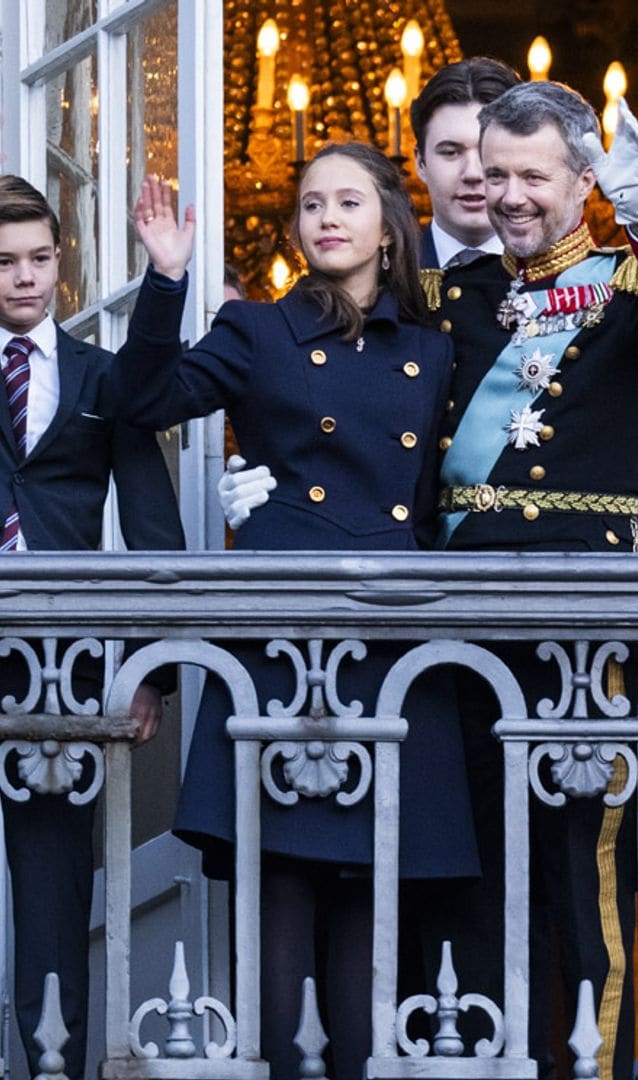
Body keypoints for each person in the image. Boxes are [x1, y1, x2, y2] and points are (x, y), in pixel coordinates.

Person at [221, 80, 638, 1080]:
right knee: (463, 875)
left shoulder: (632, 286)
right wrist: (285, 466)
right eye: (493, 174)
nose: (508, 195)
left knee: (584, 880)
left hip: (580, 625)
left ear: (585, 180)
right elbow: (357, 396)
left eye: (533, 176)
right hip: (454, 618)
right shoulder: (449, 301)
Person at [112, 147, 479, 1079]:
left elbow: (463, 488)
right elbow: (144, 399)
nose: (326, 218)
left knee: (372, 914)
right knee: (278, 903)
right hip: (281, 638)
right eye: (311, 204)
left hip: (391, 636)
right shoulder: (258, 330)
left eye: (348, 201)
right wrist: (165, 281)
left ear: (388, 224)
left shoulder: (437, 350)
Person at [0, 174, 184, 1080]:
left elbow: (152, 527)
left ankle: (50, 1069)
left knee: (50, 893)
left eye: (39, 258)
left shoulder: (101, 377)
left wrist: (149, 667)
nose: (23, 278)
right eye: (3, 261)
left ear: (60, 262)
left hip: (58, 667)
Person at [410, 56, 520, 270]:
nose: (473, 173)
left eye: (488, 151)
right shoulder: (381, 280)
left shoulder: (572, 283)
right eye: (451, 152)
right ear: (421, 162)